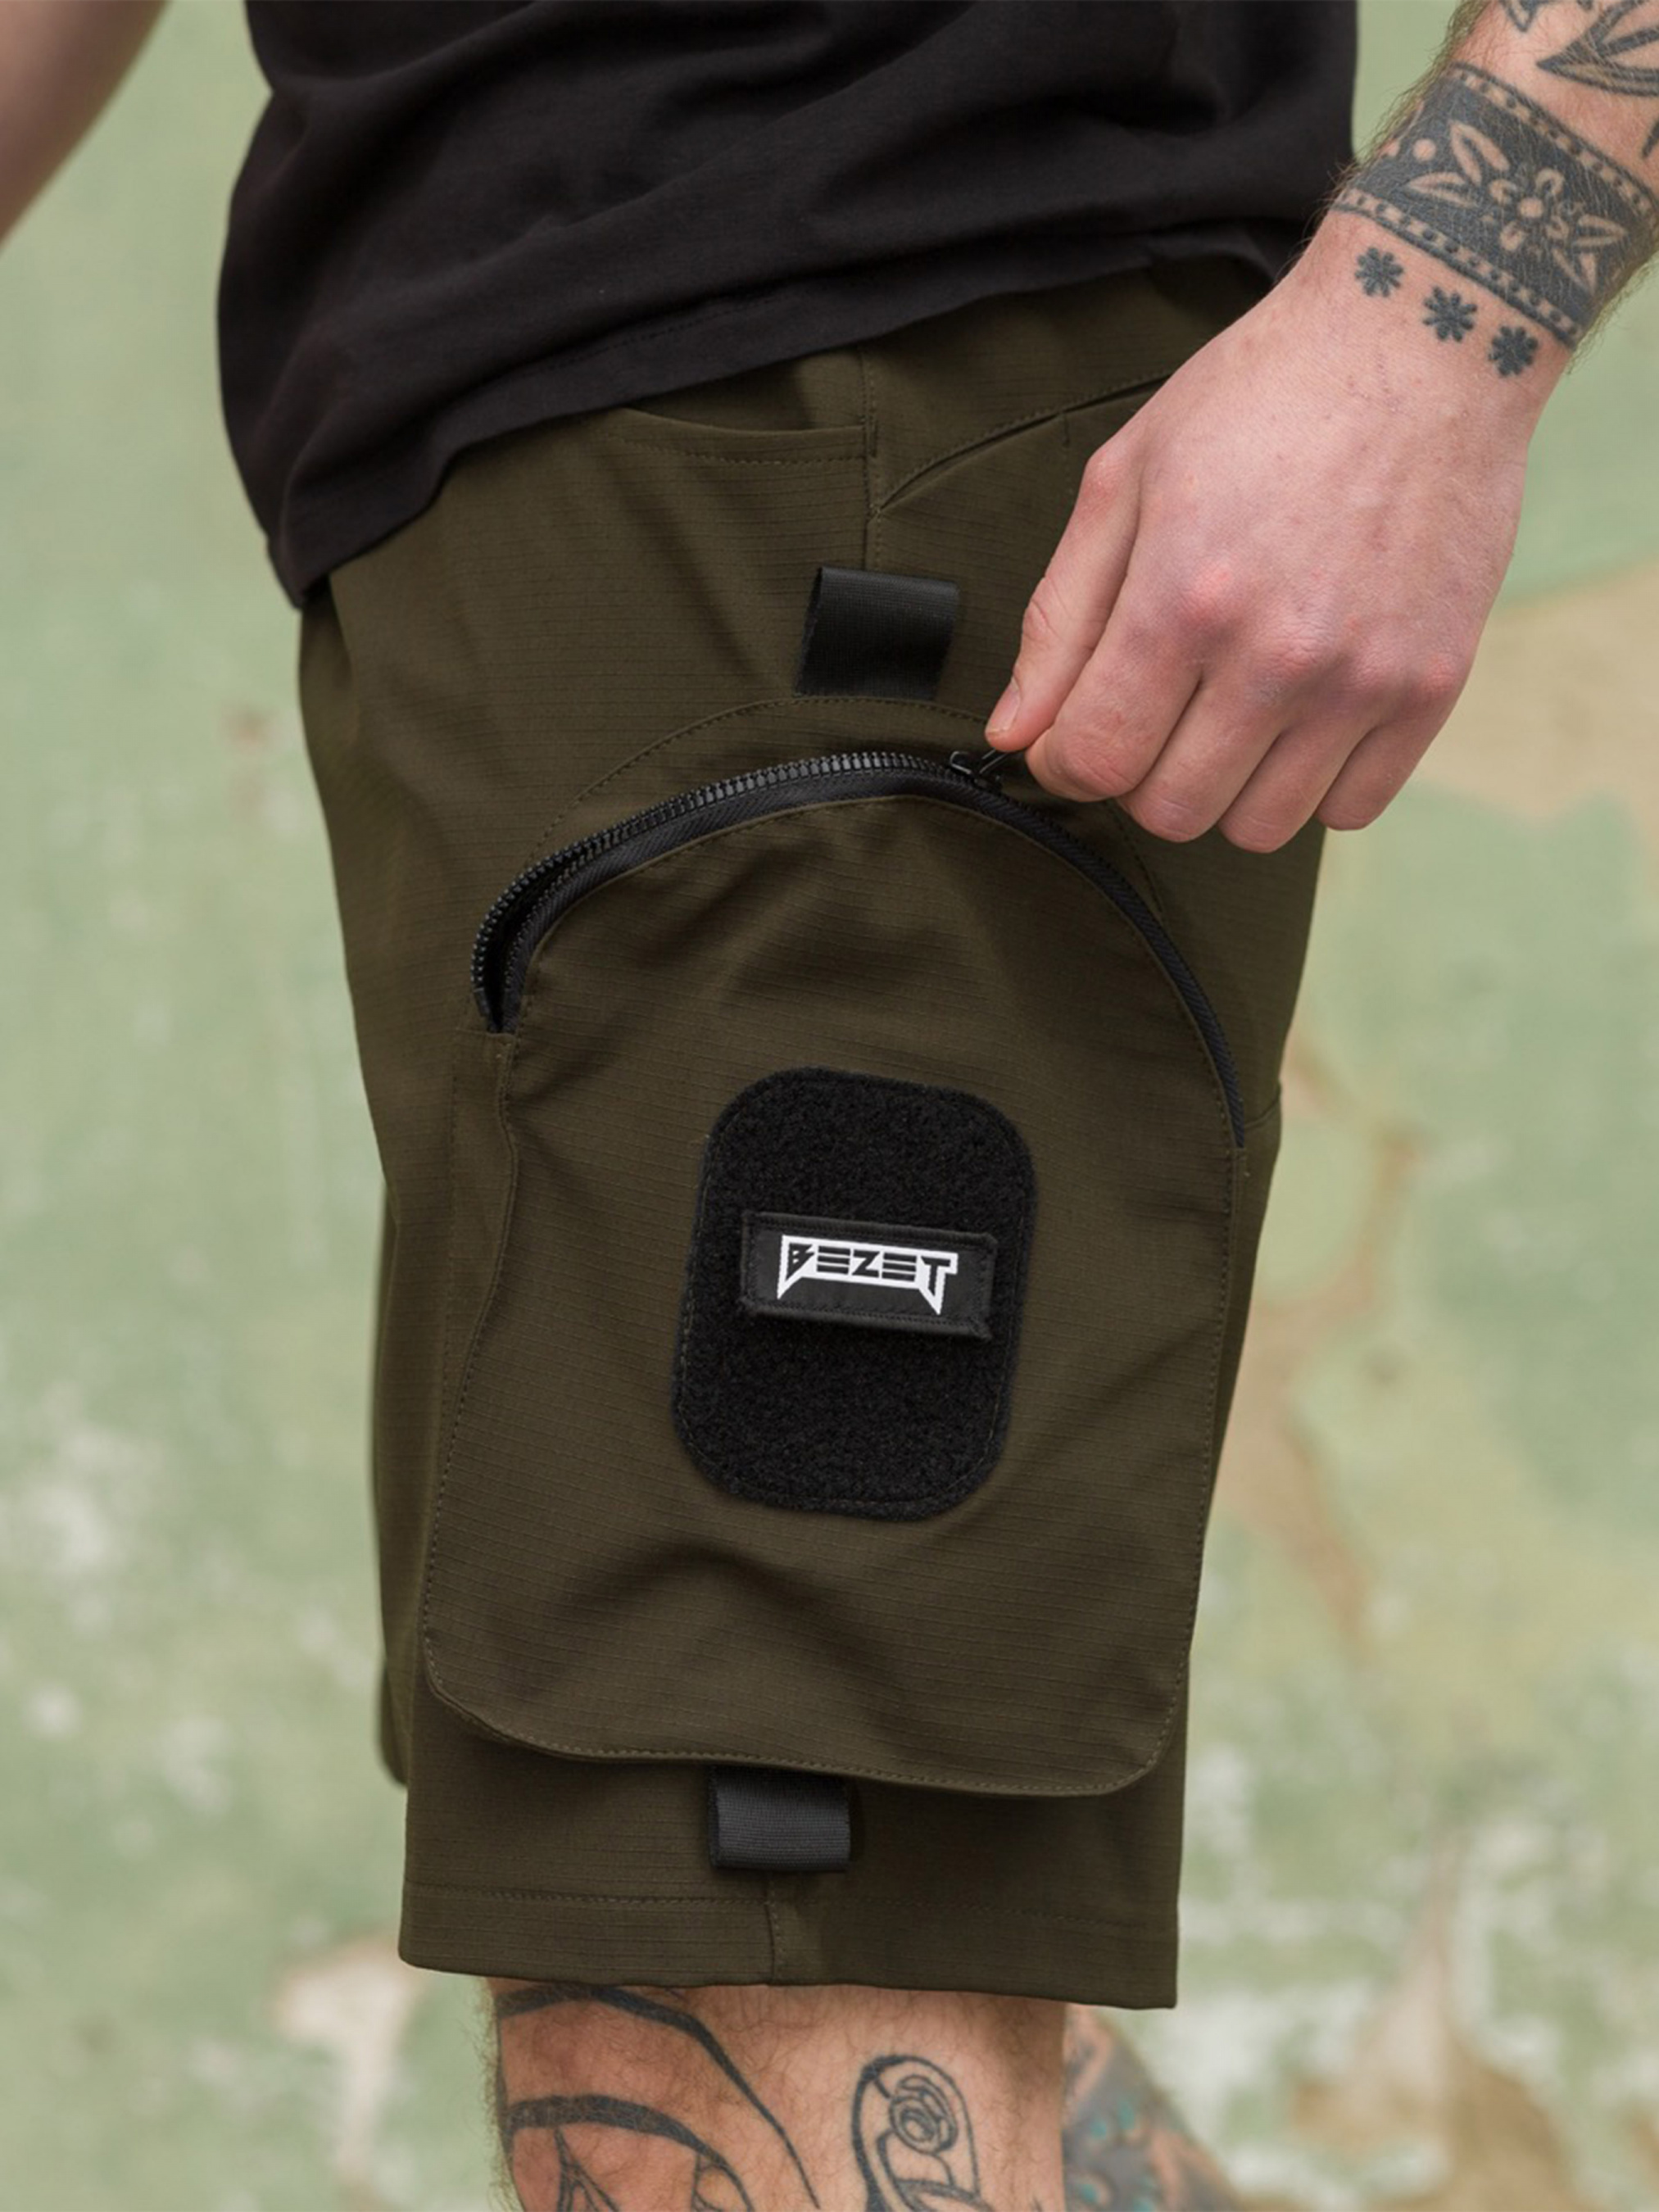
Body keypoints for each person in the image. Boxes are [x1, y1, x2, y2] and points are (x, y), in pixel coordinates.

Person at [4, 3, 1654, 2206]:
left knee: (733, 1944)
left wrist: (1426, 332)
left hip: (873, 414)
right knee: (728, 1879)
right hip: (502, 494)